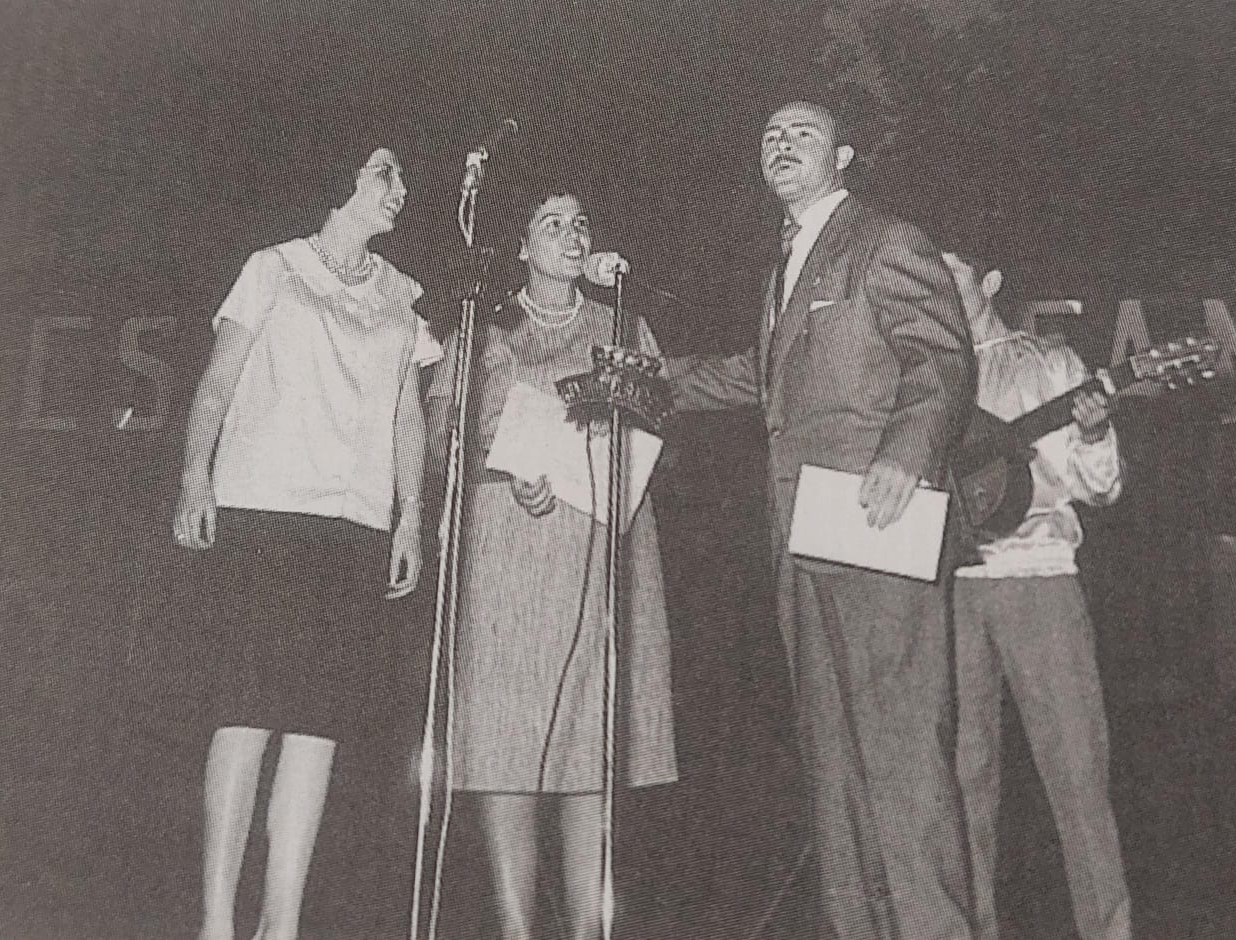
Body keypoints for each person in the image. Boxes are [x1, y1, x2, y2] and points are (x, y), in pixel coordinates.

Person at [664, 100, 977, 940]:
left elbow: (942, 356)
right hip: (801, 539)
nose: (779, 142)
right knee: (835, 768)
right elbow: (760, 381)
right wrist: (650, 380)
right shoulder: (785, 268)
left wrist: (906, 453)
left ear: (844, 154)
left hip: (875, 525)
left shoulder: (882, 240)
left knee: (902, 755)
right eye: (768, 133)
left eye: (801, 131)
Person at [171, 147, 440, 940]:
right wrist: (195, 475)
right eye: (385, 171)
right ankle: (218, 923)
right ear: (341, 179)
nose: (400, 189)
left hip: (355, 523)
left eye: (400, 177)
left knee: (319, 725)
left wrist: (411, 517)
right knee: (247, 712)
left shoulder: (403, 292)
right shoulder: (273, 268)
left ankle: (280, 924)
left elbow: (407, 413)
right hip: (265, 509)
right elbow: (218, 382)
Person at [425, 184, 677, 940]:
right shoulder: (480, 327)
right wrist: (506, 471)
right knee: (505, 743)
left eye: (581, 223)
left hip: (600, 552)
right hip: (506, 552)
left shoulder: (624, 322)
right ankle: (515, 929)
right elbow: (440, 439)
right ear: (521, 244)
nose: (571, 236)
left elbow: (653, 428)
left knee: (587, 745)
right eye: (551, 223)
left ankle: (591, 931)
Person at [942, 252, 1132, 940]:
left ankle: (1108, 930)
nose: (937, 286)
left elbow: (1099, 487)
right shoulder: (924, 374)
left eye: (951, 273)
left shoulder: (1050, 361)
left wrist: (1092, 430)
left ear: (988, 282)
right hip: (951, 590)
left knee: (1078, 772)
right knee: (961, 786)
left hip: (1040, 579)